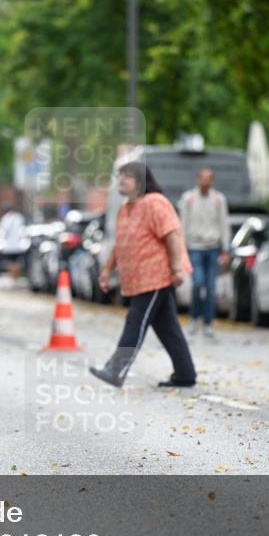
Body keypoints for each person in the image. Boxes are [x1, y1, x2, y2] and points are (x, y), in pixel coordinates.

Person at [90, 162, 197, 388]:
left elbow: (173, 235)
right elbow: (120, 245)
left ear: (140, 181)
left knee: (136, 320)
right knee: (167, 328)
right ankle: (185, 374)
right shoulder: (125, 208)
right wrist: (107, 270)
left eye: (127, 177)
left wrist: (177, 268)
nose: (121, 181)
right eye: (119, 177)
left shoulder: (155, 203)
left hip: (156, 275)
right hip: (137, 279)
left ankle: (116, 369)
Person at [179, 168, 230, 337]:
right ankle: (194, 318)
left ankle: (208, 322)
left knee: (210, 287)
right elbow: (183, 223)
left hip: (213, 247)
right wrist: (182, 248)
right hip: (194, 247)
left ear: (212, 181)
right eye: (203, 178)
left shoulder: (218, 199)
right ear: (198, 179)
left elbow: (224, 223)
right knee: (198, 283)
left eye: (209, 179)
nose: (206, 182)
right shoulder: (189, 199)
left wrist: (225, 247)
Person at [0, 204, 26, 279]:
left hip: (9, 245)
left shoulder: (5, 218)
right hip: (18, 245)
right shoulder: (18, 217)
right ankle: (17, 277)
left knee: (12, 263)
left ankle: (13, 278)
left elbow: (3, 231)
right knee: (17, 263)